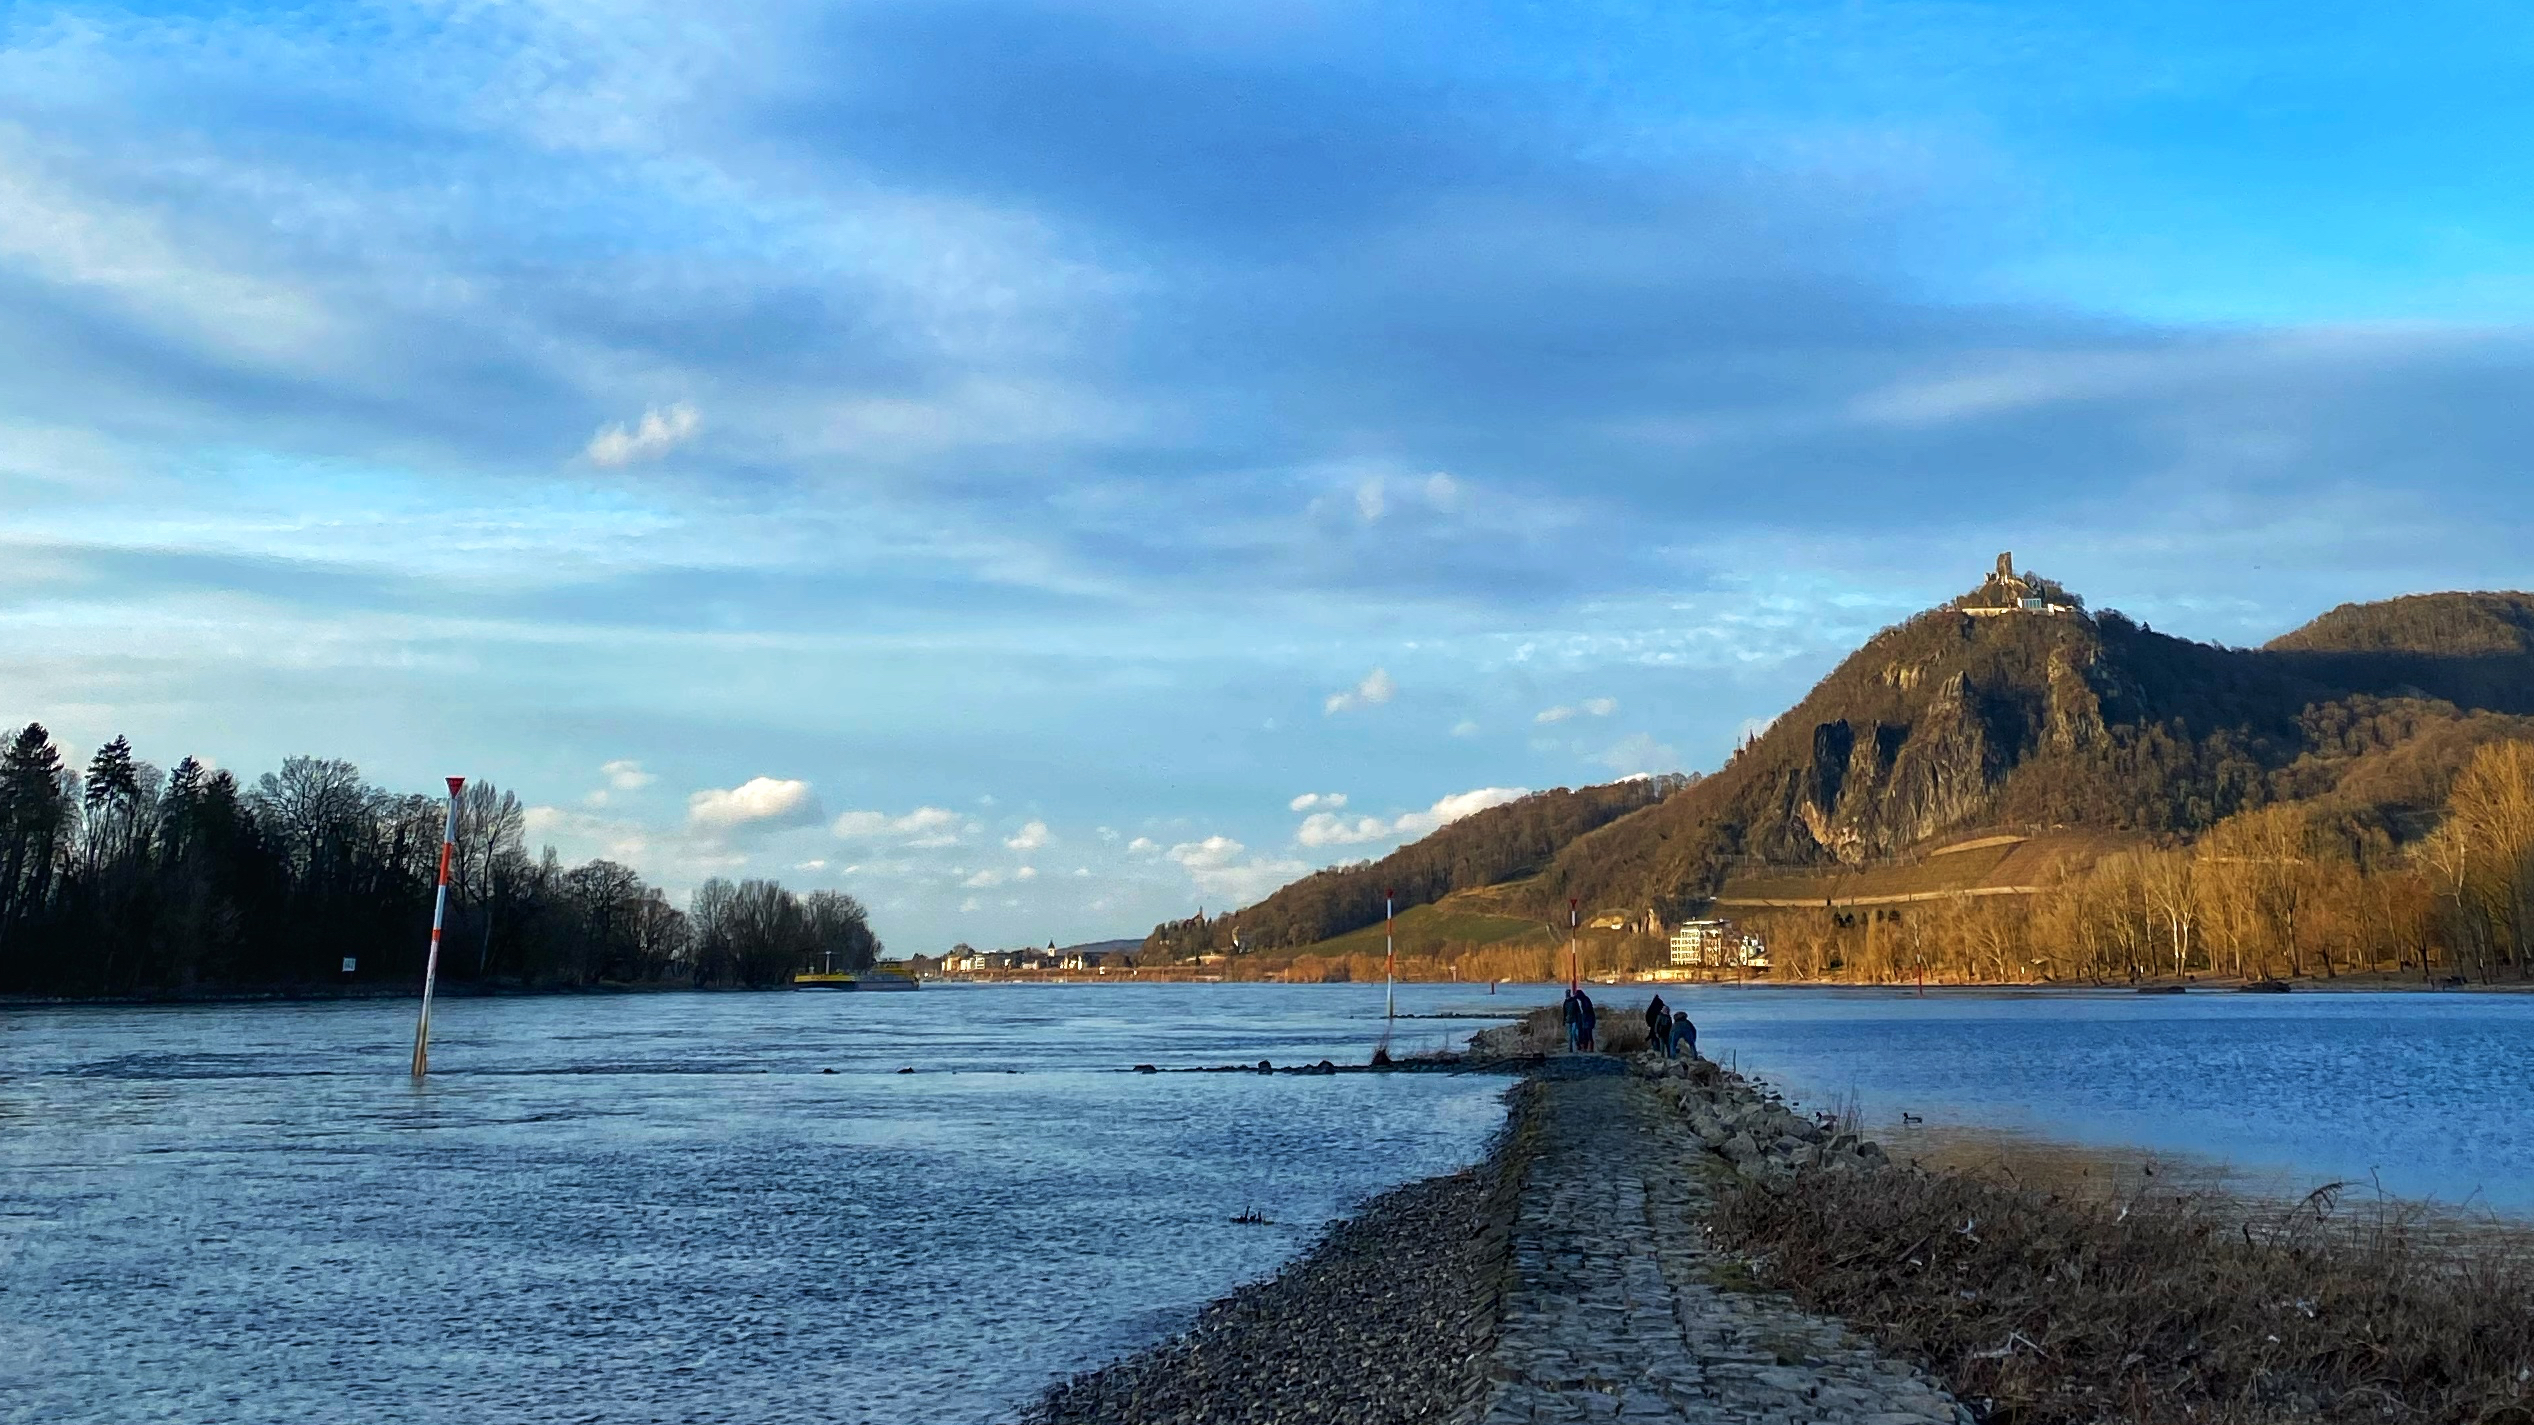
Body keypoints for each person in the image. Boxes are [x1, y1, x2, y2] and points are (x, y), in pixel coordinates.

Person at [1575, 988, 1597, 1054]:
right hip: (1586, 1020)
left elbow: (1588, 1009)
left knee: (1588, 1034)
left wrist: (1583, 1012)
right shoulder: (1584, 1000)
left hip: (1589, 1019)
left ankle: (1590, 1048)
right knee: (1585, 1035)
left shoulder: (1585, 1000)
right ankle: (1586, 1048)